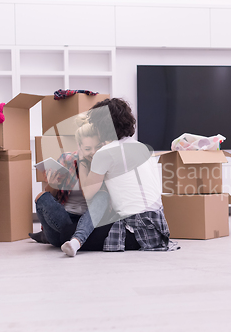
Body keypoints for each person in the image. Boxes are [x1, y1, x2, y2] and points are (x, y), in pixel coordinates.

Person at [60, 98, 179, 256]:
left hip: (135, 232)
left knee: (64, 230)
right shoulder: (141, 147)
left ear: (101, 127)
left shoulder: (105, 153)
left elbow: (88, 193)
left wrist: (82, 157)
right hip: (158, 229)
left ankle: (66, 240)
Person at [32, 114, 112, 250]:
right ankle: (65, 237)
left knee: (103, 196)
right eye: (87, 149)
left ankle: (75, 239)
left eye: (97, 147)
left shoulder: (104, 162)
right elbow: (51, 196)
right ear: (79, 146)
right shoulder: (67, 159)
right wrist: (52, 185)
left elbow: (100, 201)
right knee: (42, 197)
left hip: (90, 221)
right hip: (63, 220)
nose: (93, 152)